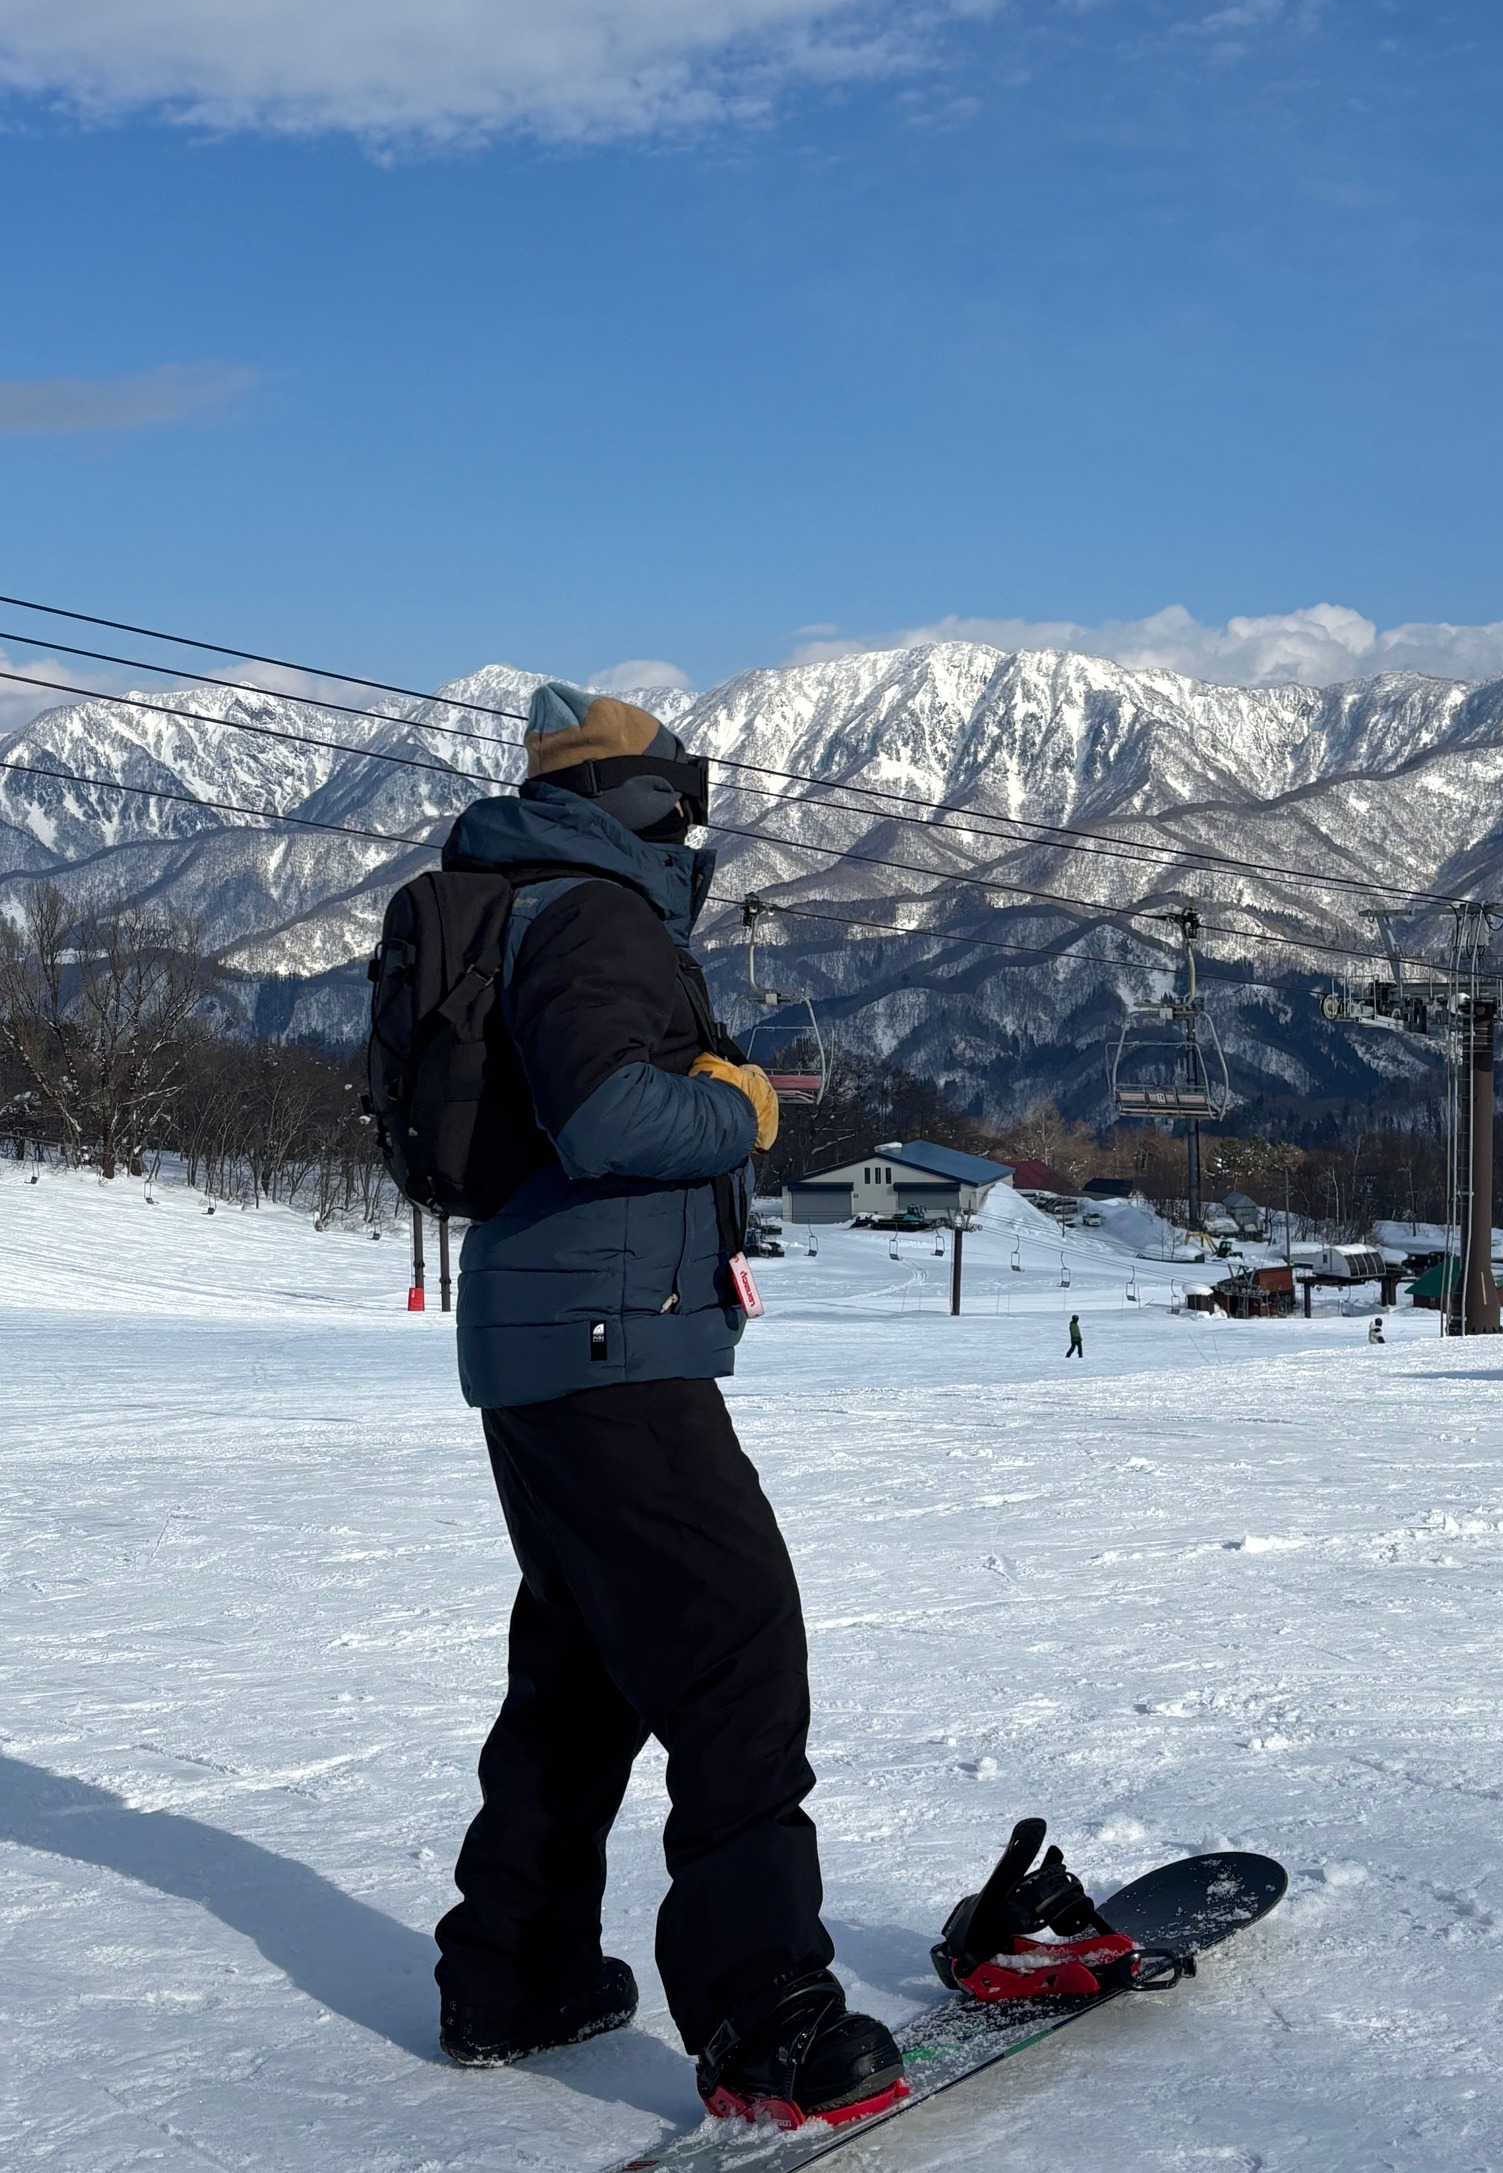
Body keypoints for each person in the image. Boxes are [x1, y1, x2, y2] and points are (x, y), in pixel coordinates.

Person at [432, 682, 905, 2127]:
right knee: (732, 1638)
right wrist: (746, 1102)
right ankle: (762, 2010)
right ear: (636, 796)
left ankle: (516, 1968)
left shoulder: (525, 894)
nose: (692, 813)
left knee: (584, 1663)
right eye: (676, 789)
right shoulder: (587, 912)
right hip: (604, 1341)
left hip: (554, 1332)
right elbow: (607, 1113)